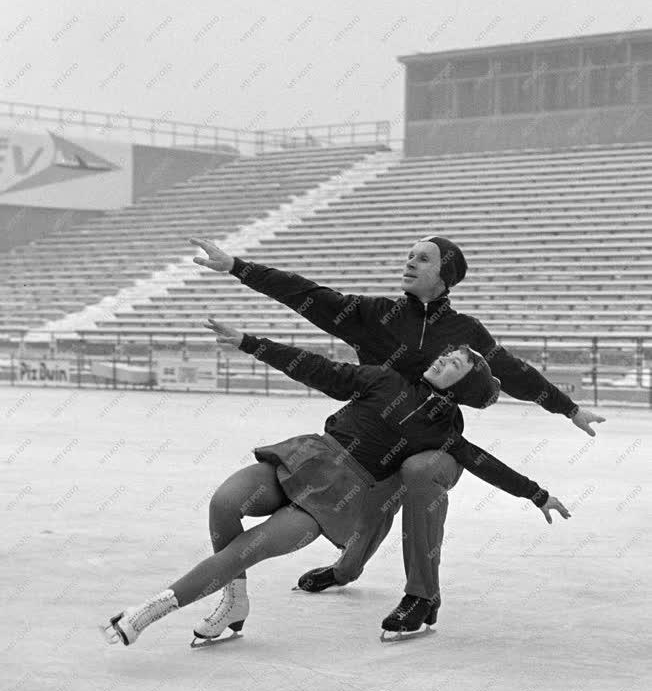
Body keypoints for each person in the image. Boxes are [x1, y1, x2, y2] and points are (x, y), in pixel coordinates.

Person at [190, 236, 604, 631]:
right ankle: (345, 569)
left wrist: (567, 408)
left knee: (418, 472)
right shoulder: (376, 316)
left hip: (433, 439)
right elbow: (309, 296)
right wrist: (237, 268)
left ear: (446, 275)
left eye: (423, 258)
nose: (410, 262)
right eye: (410, 255)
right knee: (373, 498)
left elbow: (512, 372)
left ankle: (422, 597)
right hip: (374, 434)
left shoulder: (467, 330)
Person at [101, 320, 571, 648]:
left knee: (247, 549)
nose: (445, 357)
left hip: (336, 496)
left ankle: (147, 613)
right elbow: (318, 368)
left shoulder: (443, 432)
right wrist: (250, 342)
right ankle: (235, 601)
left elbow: (485, 463)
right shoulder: (386, 379)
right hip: (305, 455)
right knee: (225, 501)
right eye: (448, 353)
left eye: (456, 363)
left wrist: (536, 493)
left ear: (463, 387)